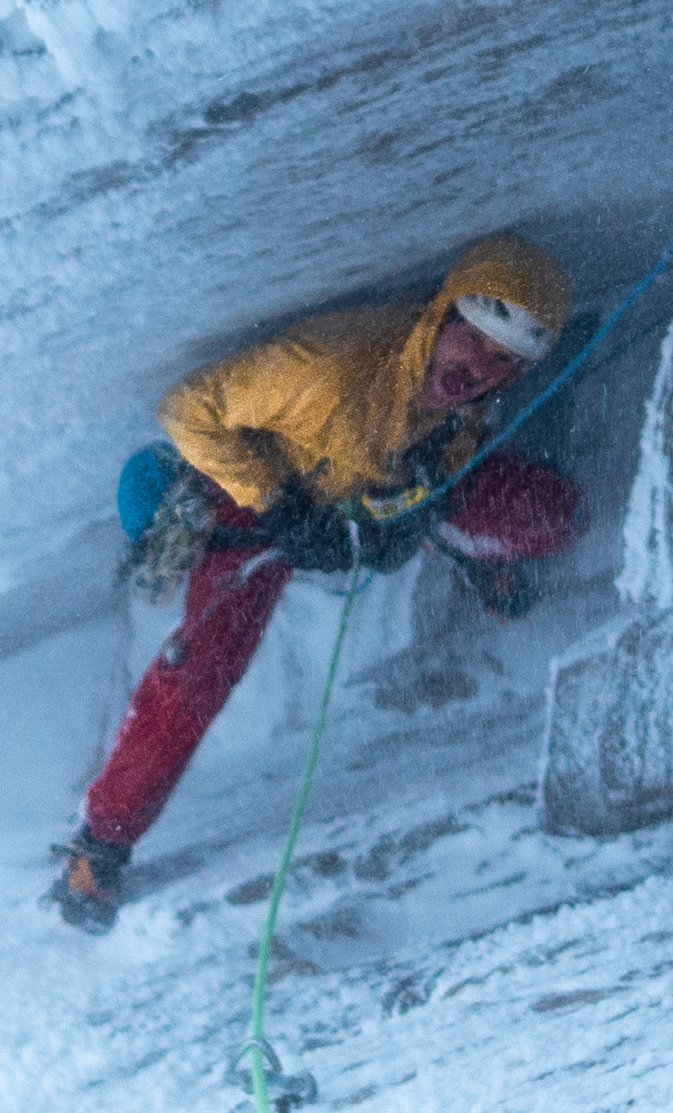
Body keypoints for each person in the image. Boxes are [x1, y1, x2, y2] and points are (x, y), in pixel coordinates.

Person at [51, 233, 583, 932]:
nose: (477, 369)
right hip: (259, 500)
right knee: (200, 671)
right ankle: (99, 846)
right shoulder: (328, 369)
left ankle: (468, 547)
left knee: (552, 515)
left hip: (373, 490)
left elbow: (443, 445)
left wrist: (414, 512)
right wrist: (278, 503)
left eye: (501, 361)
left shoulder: (454, 393)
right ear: (444, 316)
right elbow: (187, 409)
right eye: (474, 338)